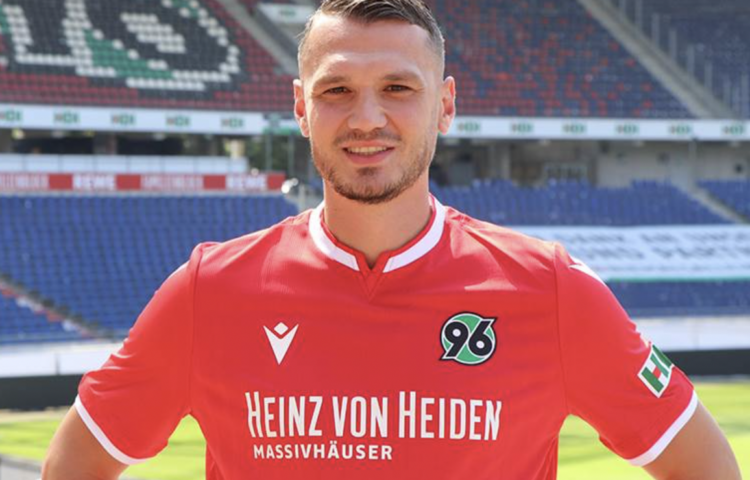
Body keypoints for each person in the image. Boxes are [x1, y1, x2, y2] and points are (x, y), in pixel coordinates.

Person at [44, 0, 741, 479]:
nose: (366, 118)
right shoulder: (211, 290)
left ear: (446, 105)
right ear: (300, 107)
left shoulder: (549, 289)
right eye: (337, 90)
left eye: (399, 88)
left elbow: (703, 465)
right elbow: (78, 460)